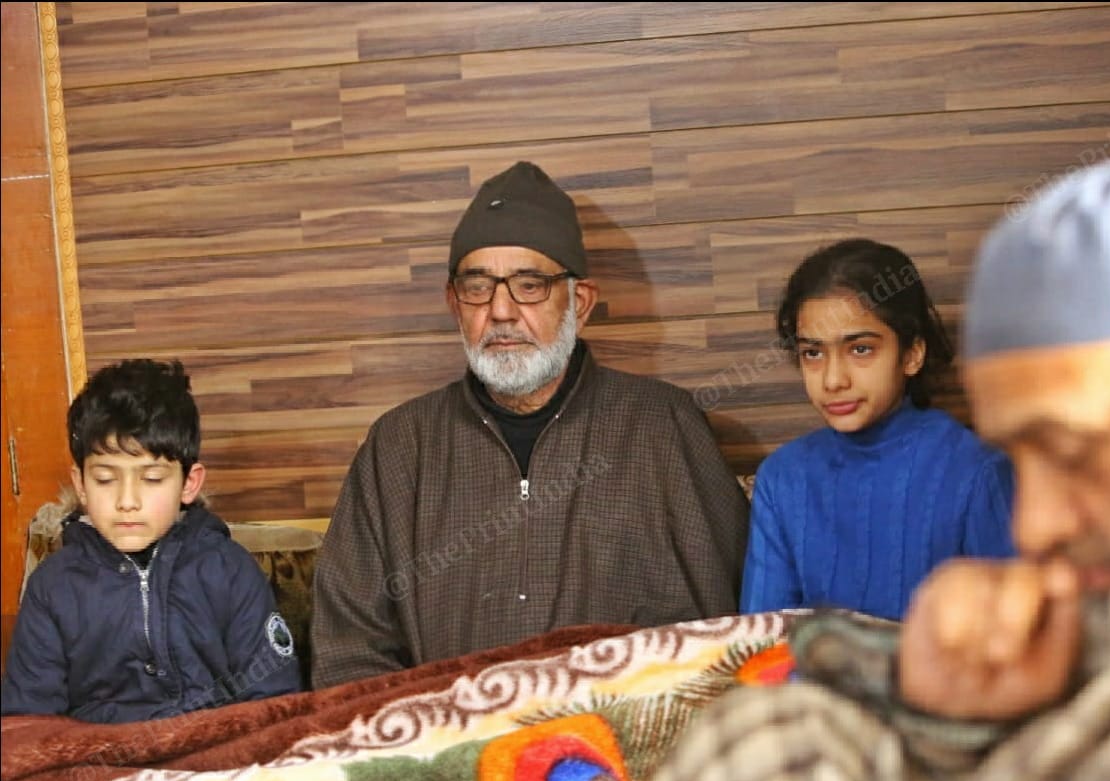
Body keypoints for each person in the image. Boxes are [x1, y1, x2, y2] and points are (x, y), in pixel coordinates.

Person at [624, 147, 1110, 781]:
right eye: (1019, 458)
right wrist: (943, 724)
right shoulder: (791, 480)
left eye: (1071, 450)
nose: (1033, 526)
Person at [310, 161, 749, 689]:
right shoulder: (400, 446)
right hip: (447, 736)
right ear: (454, 303)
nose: (501, 311)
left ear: (579, 303)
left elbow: (726, 627)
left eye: (530, 285)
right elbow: (349, 650)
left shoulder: (664, 426)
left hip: (629, 732)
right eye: (477, 287)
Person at [0, 359, 302, 723]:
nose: (128, 501)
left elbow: (274, 701)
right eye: (105, 479)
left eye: (152, 479)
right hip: (98, 755)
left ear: (189, 484)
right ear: (81, 484)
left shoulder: (231, 571)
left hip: (215, 751)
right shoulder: (52, 587)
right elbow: (28, 723)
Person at [742, 238, 1014, 620]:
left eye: (860, 349)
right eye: (813, 353)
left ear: (912, 354)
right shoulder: (783, 478)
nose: (833, 380)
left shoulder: (976, 471)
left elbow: (1015, 632)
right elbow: (760, 636)